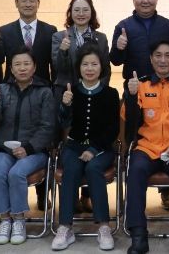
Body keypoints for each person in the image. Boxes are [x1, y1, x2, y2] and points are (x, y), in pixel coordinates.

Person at [122, 40, 169, 254]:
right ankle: (138, 236)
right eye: (158, 55)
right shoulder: (141, 85)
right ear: (151, 59)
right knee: (135, 169)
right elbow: (128, 120)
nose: (163, 60)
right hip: (146, 148)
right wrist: (130, 96)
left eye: (168, 55)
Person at [110, 0, 169, 210]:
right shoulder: (123, 26)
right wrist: (119, 47)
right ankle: (133, 191)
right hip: (134, 90)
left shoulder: (168, 26)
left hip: (165, 90)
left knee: (165, 133)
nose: (145, 0)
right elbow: (114, 60)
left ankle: (166, 191)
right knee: (135, 139)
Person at [51, 43, 120, 251]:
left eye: (94, 64)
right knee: (71, 169)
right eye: (85, 64)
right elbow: (64, 123)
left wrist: (94, 149)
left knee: (93, 168)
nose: (89, 68)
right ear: (78, 67)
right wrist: (65, 105)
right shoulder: (71, 91)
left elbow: (113, 128)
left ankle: (104, 226)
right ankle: (65, 227)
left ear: (102, 67)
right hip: (74, 146)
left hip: (102, 148)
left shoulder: (110, 93)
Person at [0, 47, 56, 245]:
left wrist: (29, 148)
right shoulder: (2, 89)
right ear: (11, 69)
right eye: (17, 64)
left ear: (34, 67)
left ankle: (18, 219)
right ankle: (4, 219)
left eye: (26, 64)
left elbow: (48, 127)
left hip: (35, 151)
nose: (22, 68)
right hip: (5, 149)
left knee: (16, 173)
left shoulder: (44, 91)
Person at [0, 0, 57, 210]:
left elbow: (53, 65)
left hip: (42, 93)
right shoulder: (5, 31)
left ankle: (43, 196)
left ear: (38, 3)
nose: (27, 3)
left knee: (40, 143)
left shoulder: (50, 30)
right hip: (13, 92)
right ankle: (2, 201)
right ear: (16, 3)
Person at [51, 0, 111, 212]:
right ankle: (71, 196)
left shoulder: (100, 38)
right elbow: (57, 68)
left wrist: (99, 93)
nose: (81, 13)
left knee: (91, 139)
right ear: (70, 13)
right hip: (66, 94)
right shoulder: (59, 36)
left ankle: (87, 195)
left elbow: (105, 69)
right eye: (76, 10)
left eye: (85, 9)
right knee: (69, 143)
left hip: (93, 95)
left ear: (91, 12)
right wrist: (63, 51)